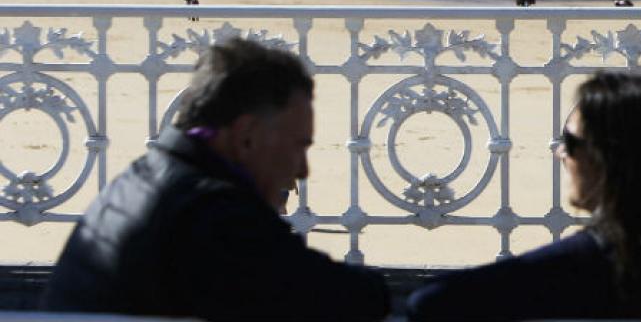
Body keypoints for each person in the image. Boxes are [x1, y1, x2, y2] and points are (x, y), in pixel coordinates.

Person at [42, 38, 389, 320]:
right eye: (299, 146)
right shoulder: (210, 214)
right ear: (247, 134)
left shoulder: (146, 176)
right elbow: (343, 299)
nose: (302, 170)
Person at [406, 72, 641, 321]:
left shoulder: (586, 267)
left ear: (608, 158)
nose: (560, 152)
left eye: (570, 142)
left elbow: (431, 303)